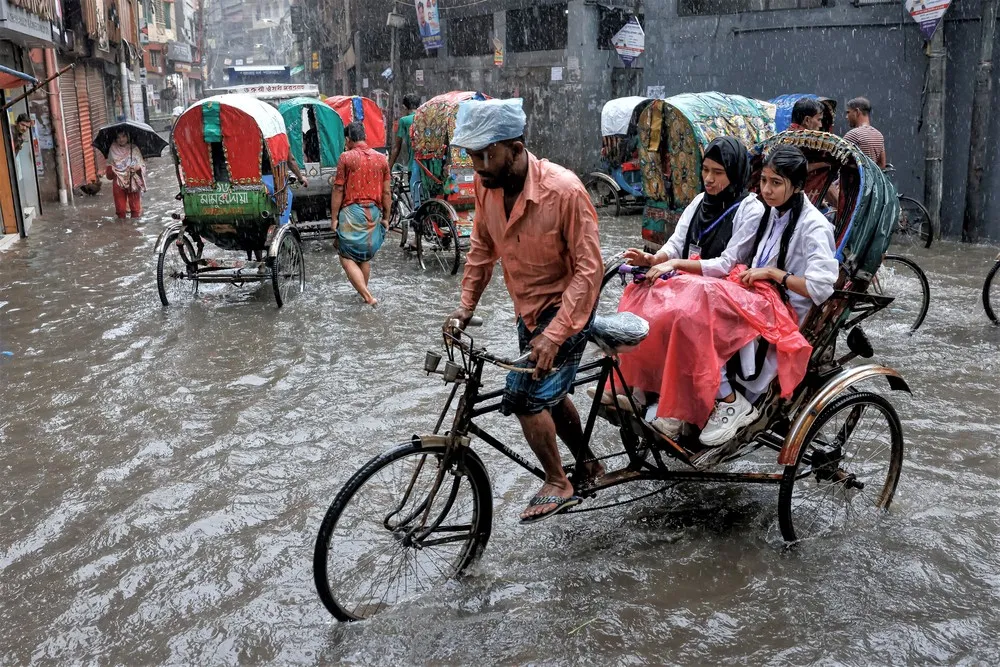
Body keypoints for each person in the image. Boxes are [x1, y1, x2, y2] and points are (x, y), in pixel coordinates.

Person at [617, 146, 838, 463]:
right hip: (756, 295)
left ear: (798, 186)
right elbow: (708, 253)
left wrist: (774, 273)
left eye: (776, 183)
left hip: (782, 311)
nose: (767, 190)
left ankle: (728, 399)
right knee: (656, 288)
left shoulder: (813, 226)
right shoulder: (770, 211)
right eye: (763, 181)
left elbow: (820, 286)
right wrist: (658, 261)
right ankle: (654, 391)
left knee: (696, 304)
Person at [443, 98, 604, 524]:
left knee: (525, 395)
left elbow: (590, 271)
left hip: (567, 309)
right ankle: (588, 464)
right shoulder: (485, 188)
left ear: (515, 147)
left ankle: (559, 481)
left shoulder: (565, 191)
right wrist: (464, 309)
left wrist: (555, 335)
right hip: (528, 311)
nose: (477, 165)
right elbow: (481, 251)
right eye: (471, 155)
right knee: (551, 395)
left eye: (486, 154)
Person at [615, 136, 765, 433]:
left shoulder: (751, 209)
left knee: (681, 319)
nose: (709, 179)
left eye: (718, 173)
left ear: (735, 173)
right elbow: (675, 243)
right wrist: (653, 258)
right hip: (687, 285)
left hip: (723, 291)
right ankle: (640, 386)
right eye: (706, 170)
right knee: (637, 294)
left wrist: (674, 265)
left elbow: (726, 264)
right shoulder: (699, 201)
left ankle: (678, 408)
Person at [331, 121, 391, 306]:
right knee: (363, 256)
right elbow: (387, 192)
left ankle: (367, 296)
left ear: (348, 140)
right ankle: (363, 295)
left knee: (346, 255)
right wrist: (387, 218)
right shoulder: (381, 159)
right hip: (372, 213)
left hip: (351, 213)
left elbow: (338, 189)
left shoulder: (346, 158)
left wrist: (333, 218)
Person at [387, 93, 422, 206]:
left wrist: (388, 168)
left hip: (415, 164)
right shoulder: (425, 117)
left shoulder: (405, 121)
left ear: (404, 107)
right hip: (430, 166)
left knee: (416, 199)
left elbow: (397, 147)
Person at [105, 130, 146, 222]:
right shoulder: (112, 149)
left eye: (123, 136)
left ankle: (135, 230)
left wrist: (137, 168)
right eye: (118, 137)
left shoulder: (134, 149)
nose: (121, 139)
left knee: (135, 209)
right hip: (118, 182)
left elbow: (142, 166)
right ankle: (122, 231)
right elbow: (109, 173)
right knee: (120, 210)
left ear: (128, 137)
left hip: (133, 181)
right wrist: (112, 170)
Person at [844, 97, 886, 168]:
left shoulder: (853, 135)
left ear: (857, 112)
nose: (846, 117)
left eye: (848, 112)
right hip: (872, 179)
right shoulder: (879, 135)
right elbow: (882, 164)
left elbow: (839, 162)